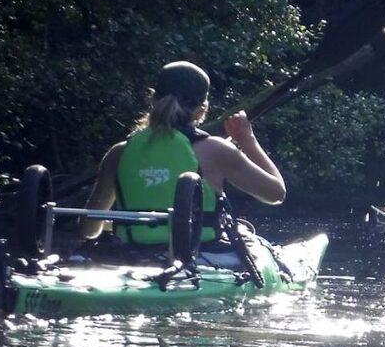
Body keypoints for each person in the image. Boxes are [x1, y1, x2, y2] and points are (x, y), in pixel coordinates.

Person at [81, 61, 285, 243]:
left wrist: (131, 223)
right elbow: (276, 193)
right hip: (199, 259)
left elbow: (88, 229)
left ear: (153, 100)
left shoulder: (119, 152)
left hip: (131, 257)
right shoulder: (216, 150)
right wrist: (247, 140)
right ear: (202, 109)